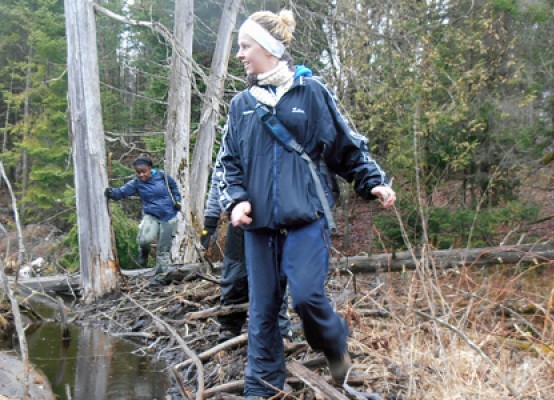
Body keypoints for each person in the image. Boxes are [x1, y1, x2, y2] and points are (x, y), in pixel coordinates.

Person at [218, 9, 397, 399]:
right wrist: (236, 201)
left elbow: (346, 145)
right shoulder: (241, 105)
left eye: (245, 46)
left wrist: (373, 182)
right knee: (263, 314)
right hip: (259, 226)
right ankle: (260, 389)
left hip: (307, 218)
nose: (240, 55)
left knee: (306, 296)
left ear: (267, 48)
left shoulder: (311, 92)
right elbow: (228, 163)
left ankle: (336, 348)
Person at [202, 152, 292, 343]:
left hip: (276, 218)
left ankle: (279, 328)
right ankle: (230, 326)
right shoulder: (234, 134)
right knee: (235, 274)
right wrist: (210, 219)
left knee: (275, 275)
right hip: (240, 220)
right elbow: (221, 176)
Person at [105, 155, 181, 275]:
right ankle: (144, 252)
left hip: (169, 215)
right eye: (138, 172)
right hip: (151, 215)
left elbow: (174, 187)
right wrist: (111, 193)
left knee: (163, 249)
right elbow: (122, 192)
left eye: (144, 172)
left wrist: (177, 201)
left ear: (150, 168)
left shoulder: (162, 176)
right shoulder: (136, 183)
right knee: (144, 240)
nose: (141, 175)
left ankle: (161, 276)